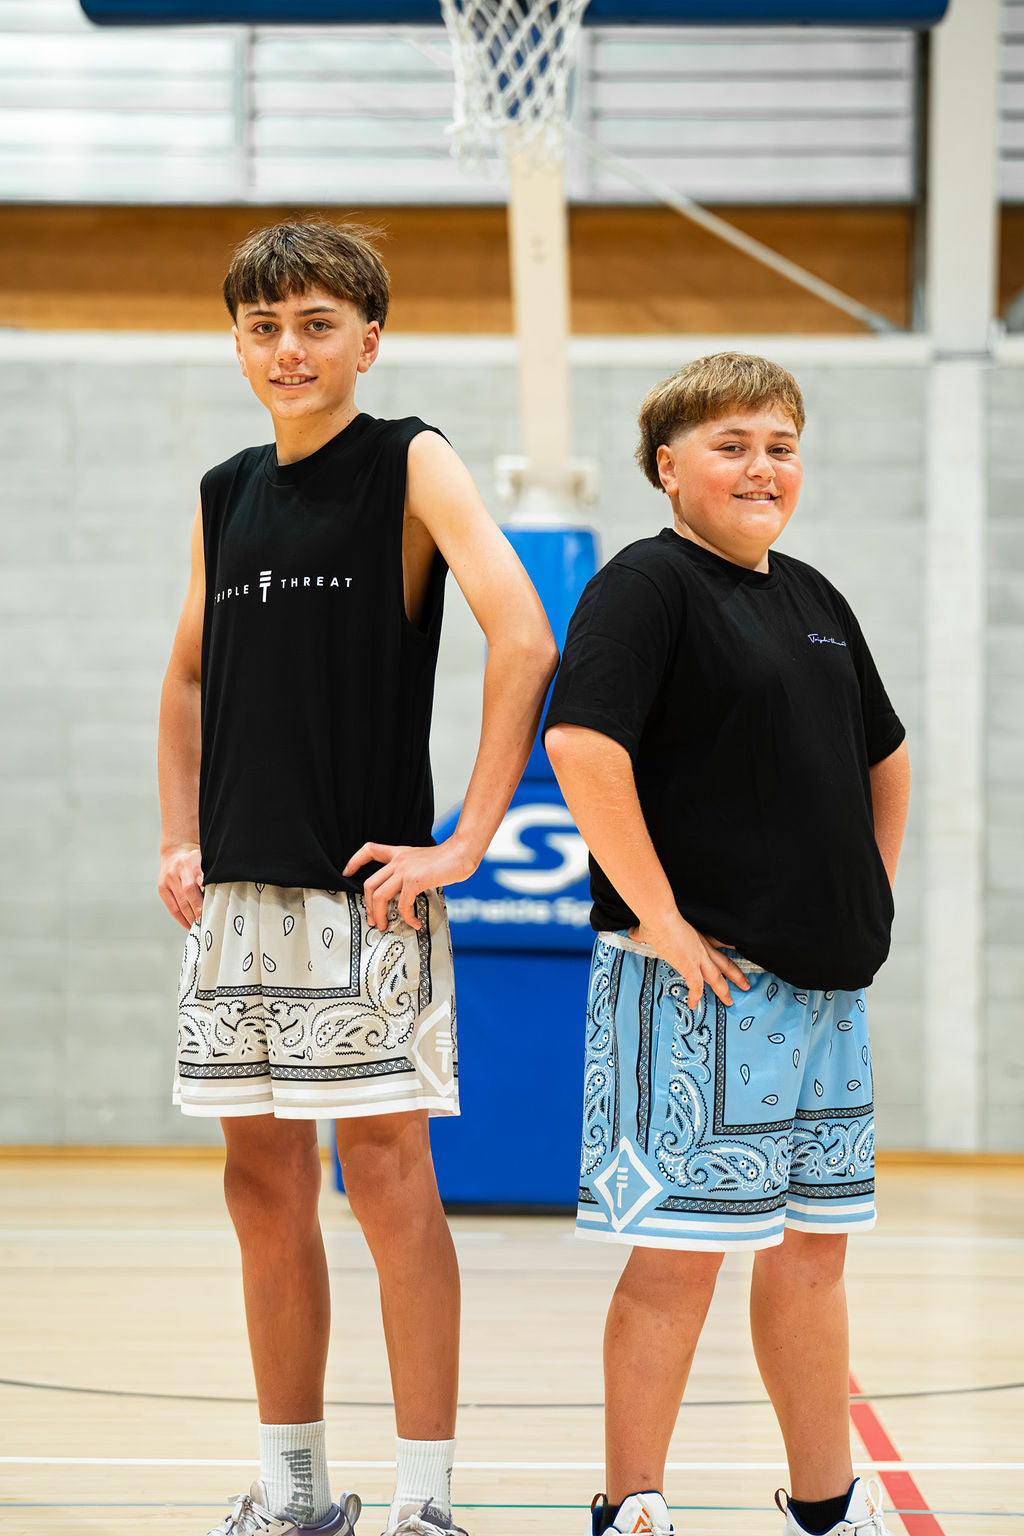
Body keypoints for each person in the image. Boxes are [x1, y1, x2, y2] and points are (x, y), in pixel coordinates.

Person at [157, 219, 558, 1536]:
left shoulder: (411, 460)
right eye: (264, 327)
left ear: (367, 340)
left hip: (366, 900)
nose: (289, 348)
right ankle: (293, 1493)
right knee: (258, 1188)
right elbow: (185, 682)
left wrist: (469, 834)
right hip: (238, 910)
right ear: (236, 342)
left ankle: (426, 1504)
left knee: (388, 1183)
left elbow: (524, 634)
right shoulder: (225, 492)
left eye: (317, 323)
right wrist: (180, 837)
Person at [543, 352, 910, 1536]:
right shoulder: (645, 587)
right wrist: (657, 918)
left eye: (780, 445)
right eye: (731, 444)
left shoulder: (812, 598)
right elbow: (583, 749)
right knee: (678, 1259)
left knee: (811, 1257)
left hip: (821, 992)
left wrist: (866, 893)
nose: (762, 467)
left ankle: (825, 1506)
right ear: (667, 466)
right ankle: (632, 1504)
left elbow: (885, 759)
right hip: (695, 991)